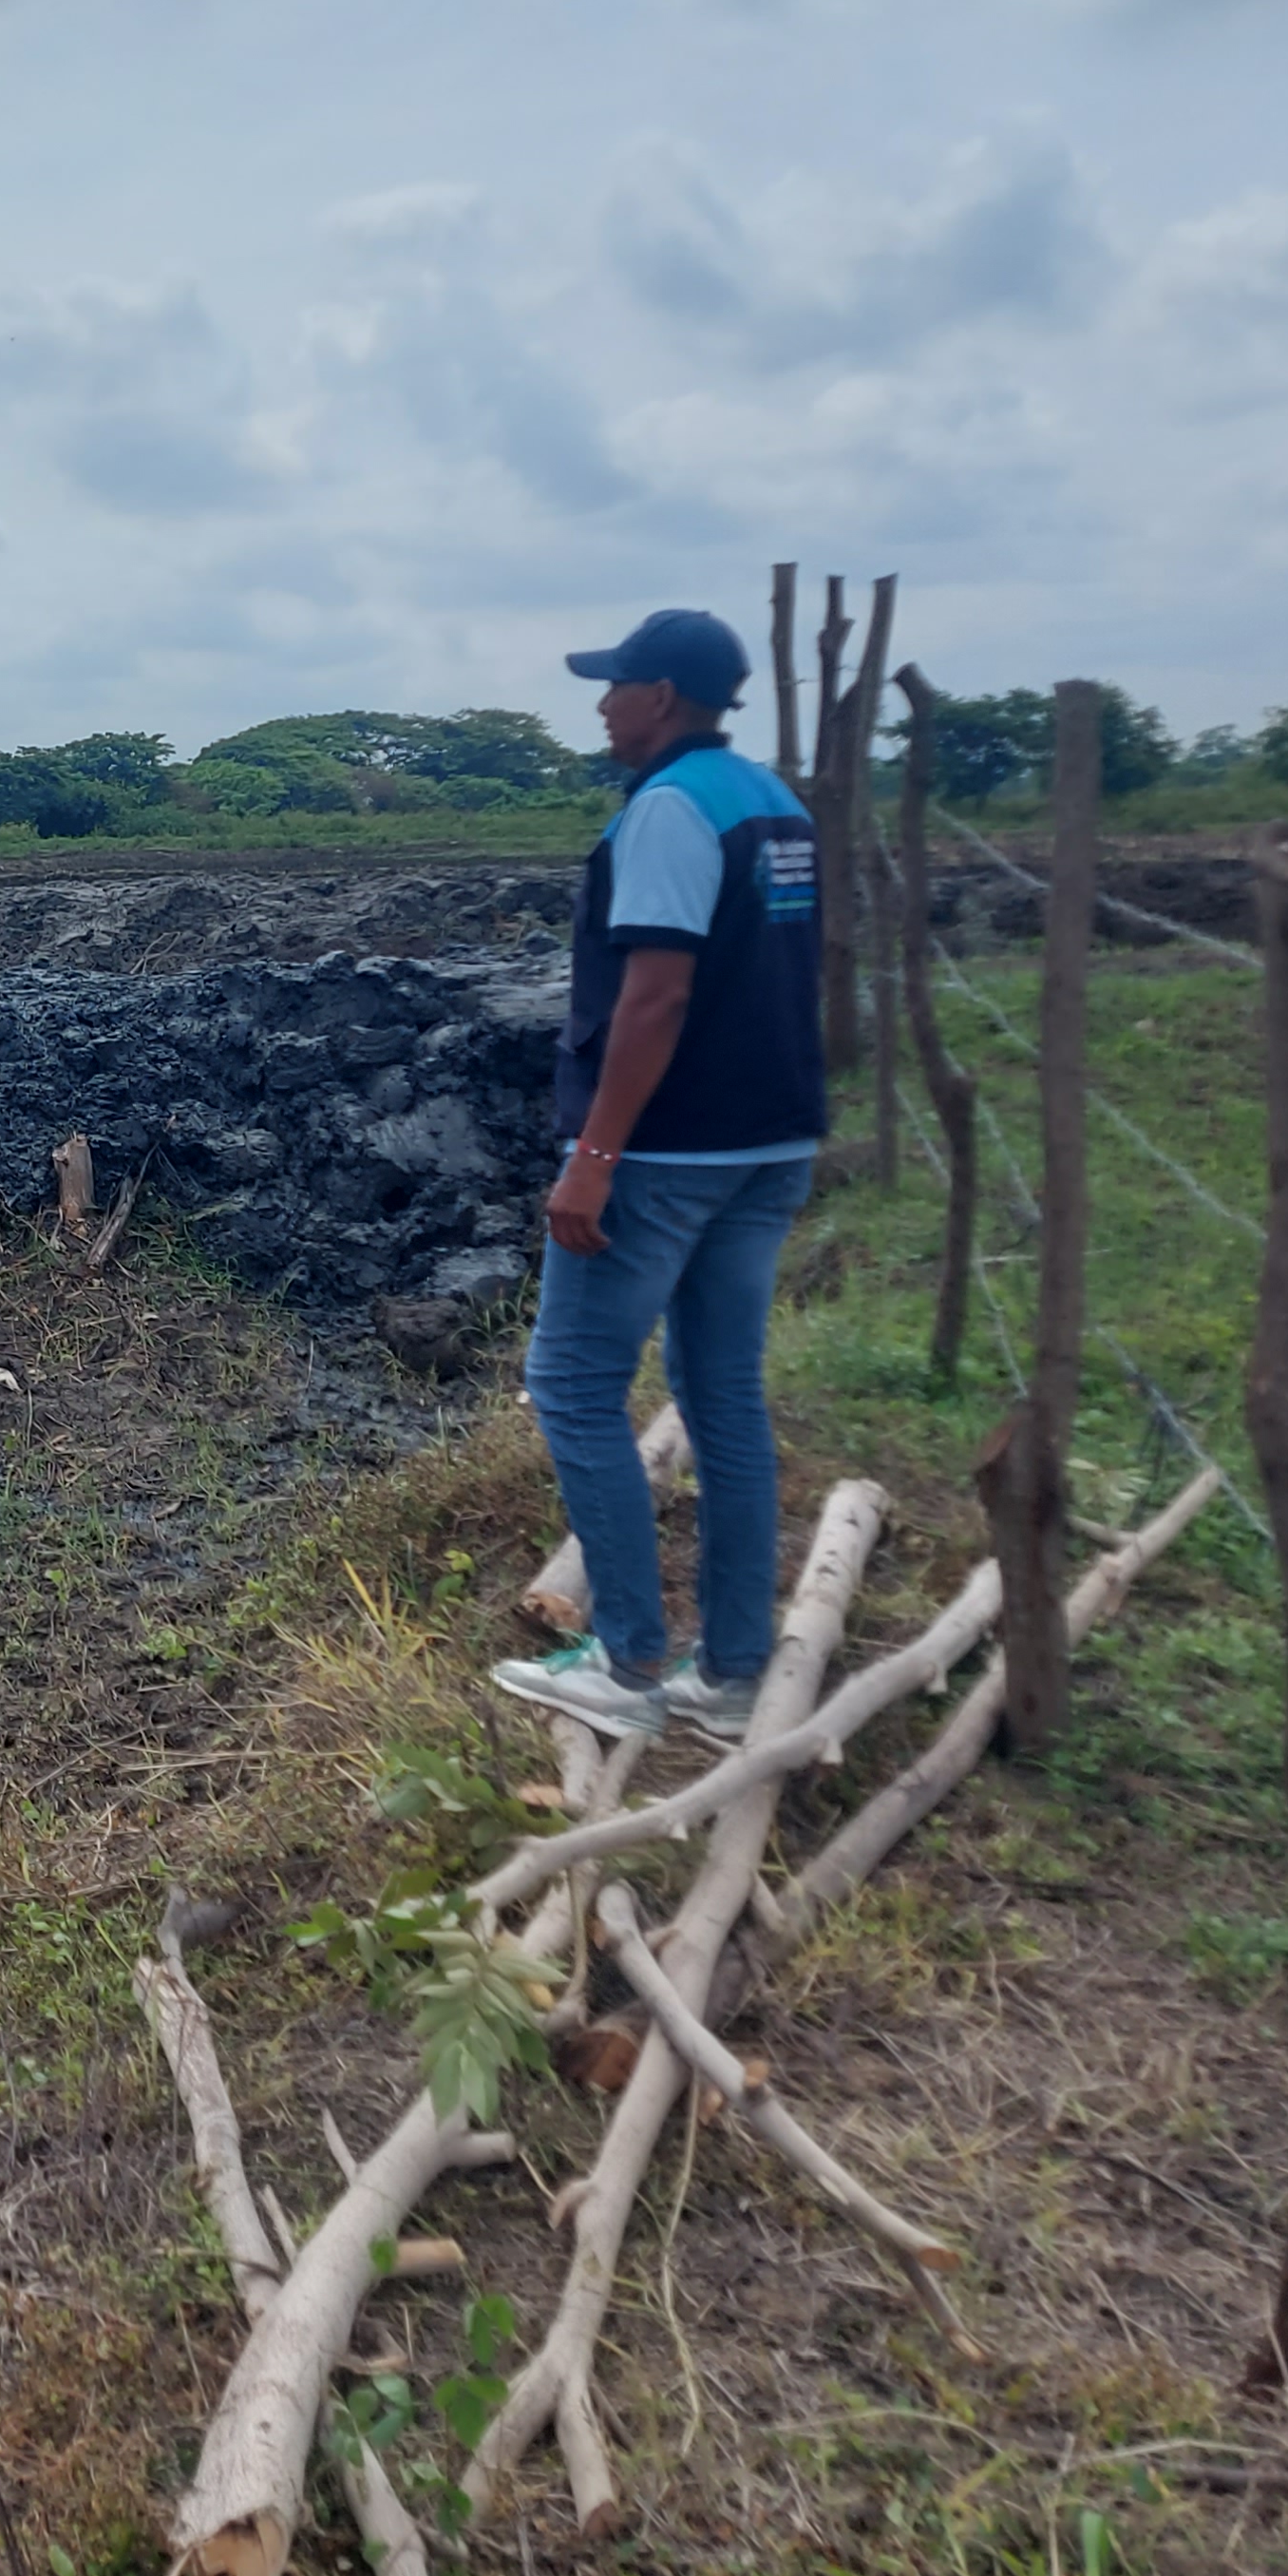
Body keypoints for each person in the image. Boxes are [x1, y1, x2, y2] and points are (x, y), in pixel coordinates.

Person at [489, 606, 824, 1744]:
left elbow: (656, 996)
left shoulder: (671, 809)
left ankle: (627, 1662)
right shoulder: (773, 803)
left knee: (573, 1383)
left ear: (663, 697)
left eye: (615, 685)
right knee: (722, 1394)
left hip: (666, 1150)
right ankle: (731, 1674)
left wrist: (594, 1157)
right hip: (770, 1142)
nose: (600, 706)